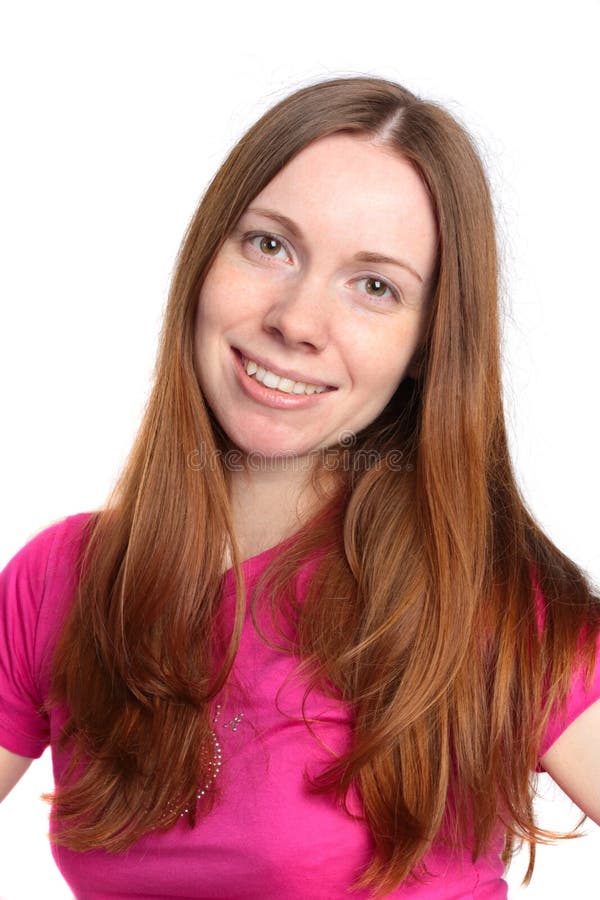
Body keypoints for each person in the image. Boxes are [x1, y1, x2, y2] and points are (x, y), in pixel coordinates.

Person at [0, 75, 599, 900]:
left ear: (428, 345)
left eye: (375, 286)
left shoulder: (488, 604)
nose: (297, 321)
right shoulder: (56, 579)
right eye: (269, 245)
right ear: (207, 255)